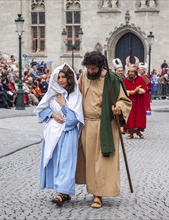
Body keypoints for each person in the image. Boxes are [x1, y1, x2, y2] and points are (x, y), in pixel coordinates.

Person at [76, 51, 132, 208]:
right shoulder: (84, 77)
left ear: (101, 67)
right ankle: (94, 191)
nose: (91, 71)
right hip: (87, 125)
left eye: (94, 68)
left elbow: (124, 100)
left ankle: (99, 195)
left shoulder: (112, 79)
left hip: (105, 125)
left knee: (103, 162)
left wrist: (119, 108)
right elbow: (76, 96)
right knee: (90, 161)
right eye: (89, 68)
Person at [33, 63, 84, 207]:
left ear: (69, 78)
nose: (61, 80)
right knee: (55, 161)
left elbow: (74, 119)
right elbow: (41, 112)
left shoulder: (75, 95)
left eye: (64, 77)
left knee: (66, 162)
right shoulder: (52, 93)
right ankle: (61, 191)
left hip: (67, 133)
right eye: (58, 77)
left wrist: (63, 105)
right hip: (52, 133)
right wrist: (53, 114)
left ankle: (61, 192)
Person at [123, 57, 147, 139]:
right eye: (129, 72)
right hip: (129, 102)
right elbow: (123, 90)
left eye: (132, 72)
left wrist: (139, 90)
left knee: (138, 116)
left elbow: (144, 88)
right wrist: (130, 92)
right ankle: (130, 133)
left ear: (135, 72)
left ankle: (138, 131)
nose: (131, 73)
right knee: (130, 117)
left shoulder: (140, 79)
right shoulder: (125, 80)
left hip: (138, 102)